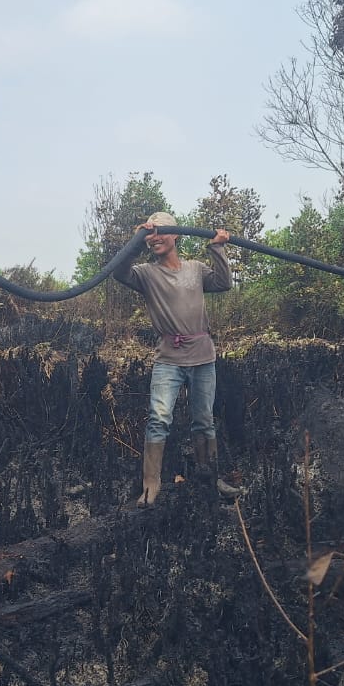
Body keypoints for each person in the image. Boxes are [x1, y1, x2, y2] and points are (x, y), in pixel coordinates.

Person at [114, 211, 235, 505]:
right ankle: (150, 484)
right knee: (158, 419)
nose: (155, 239)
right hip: (168, 358)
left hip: (203, 356)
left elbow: (223, 283)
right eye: (150, 235)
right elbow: (119, 272)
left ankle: (210, 476)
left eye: (160, 232)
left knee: (204, 420)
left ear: (176, 234)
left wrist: (217, 248)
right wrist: (136, 238)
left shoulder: (195, 269)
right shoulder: (145, 273)